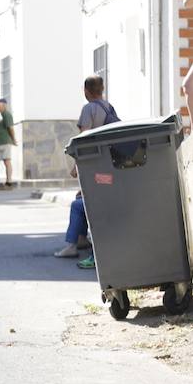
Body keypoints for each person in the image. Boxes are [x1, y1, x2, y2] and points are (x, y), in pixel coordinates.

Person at [62, 75, 118, 268]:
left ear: (86, 91)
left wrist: (75, 166)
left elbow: (83, 142)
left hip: (93, 167)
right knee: (81, 201)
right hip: (108, 167)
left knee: (84, 203)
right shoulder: (109, 107)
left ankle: (74, 245)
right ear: (102, 89)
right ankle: (79, 240)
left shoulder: (89, 109)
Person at [0, 98, 17, 188]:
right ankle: (8, 181)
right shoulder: (1, 115)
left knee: (7, 161)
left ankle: (9, 181)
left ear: (4, 105)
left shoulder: (6, 115)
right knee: (5, 162)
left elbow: (10, 128)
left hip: (5, 141)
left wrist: (13, 139)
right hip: (1, 142)